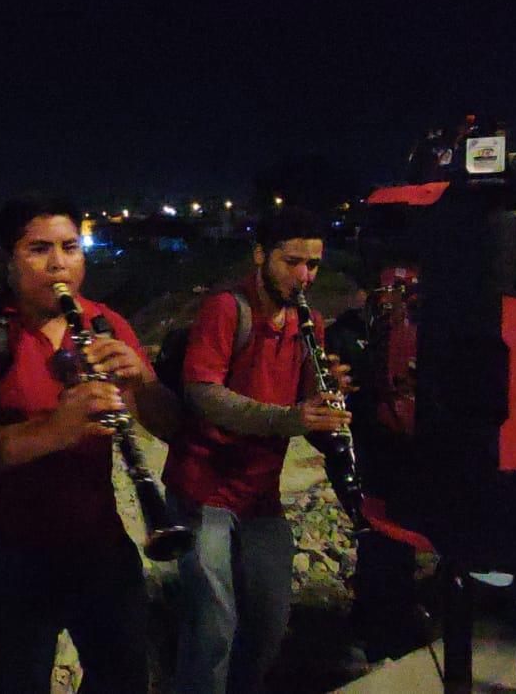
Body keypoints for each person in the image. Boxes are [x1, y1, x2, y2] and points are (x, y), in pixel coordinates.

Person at [0, 196, 168, 694]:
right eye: (39, 249)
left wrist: (142, 382)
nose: (60, 264)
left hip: (101, 546)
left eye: (70, 247)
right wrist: (59, 428)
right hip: (15, 558)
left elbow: (171, 427)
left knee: (125, 678)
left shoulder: (105, 323)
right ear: (9, 259)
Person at [162, 207, 351, 694]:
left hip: (258, 494)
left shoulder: (309, 324)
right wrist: (290, 417)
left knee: (268, 621)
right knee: (212, 628)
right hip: (204, 489)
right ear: (261, 255)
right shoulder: (227, 308)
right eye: (292, 262)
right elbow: (203, 392)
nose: (304, 276)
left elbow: (306, 413)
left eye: (313, 265)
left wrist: (330, 408)